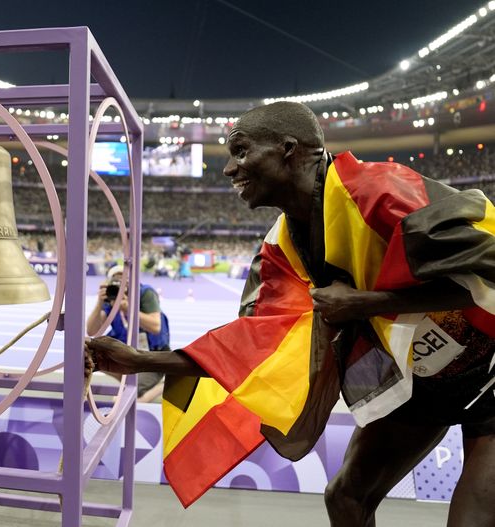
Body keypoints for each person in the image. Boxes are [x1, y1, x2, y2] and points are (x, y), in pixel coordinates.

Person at [86, 101, 494, 525]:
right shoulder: (282, 249)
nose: (229, 169)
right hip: (426, 383)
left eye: (240, 151)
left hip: (491, 369)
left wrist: (368, 303)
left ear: (287, 148)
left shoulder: (381, 192)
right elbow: (252, 348)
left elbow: (487, 271)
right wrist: (139, 361)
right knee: (345, 498)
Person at [86, 264, 170, 402]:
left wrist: (128, 309)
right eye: (116, 280)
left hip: (153, 354)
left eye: (124, 279)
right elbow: (92, 330)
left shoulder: (144, 293)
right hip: (128, 353)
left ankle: (160, 384)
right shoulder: (111, 297)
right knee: (90, 355)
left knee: (134, 397)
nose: (121, 284)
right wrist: (99, 302)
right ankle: (130, 381)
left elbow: (155, 326)